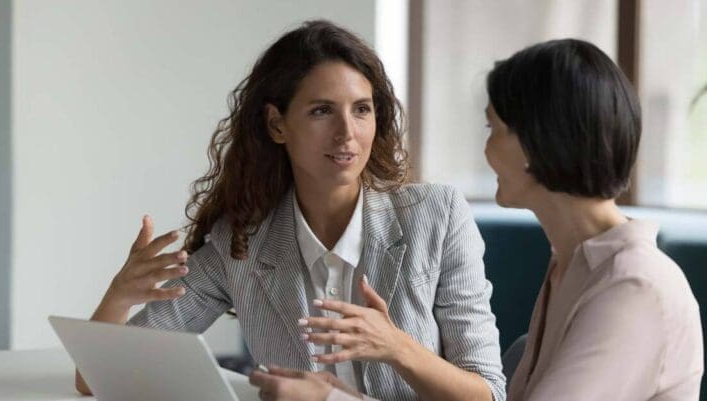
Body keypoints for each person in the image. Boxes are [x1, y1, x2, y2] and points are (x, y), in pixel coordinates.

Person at [74, 20, 506, 401]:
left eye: (361, 110)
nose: (347, 134)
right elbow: (94, 380)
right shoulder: (240, 244)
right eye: (322, 111)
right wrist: (120, 296)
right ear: (277, 125)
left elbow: (488, 395)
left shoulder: (437, 216)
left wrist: (396, 346)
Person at [251, 38, 704, 401]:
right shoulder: (573, 266)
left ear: (538, 144)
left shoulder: (632, 286)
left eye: (494, 129)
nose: (486, 149)